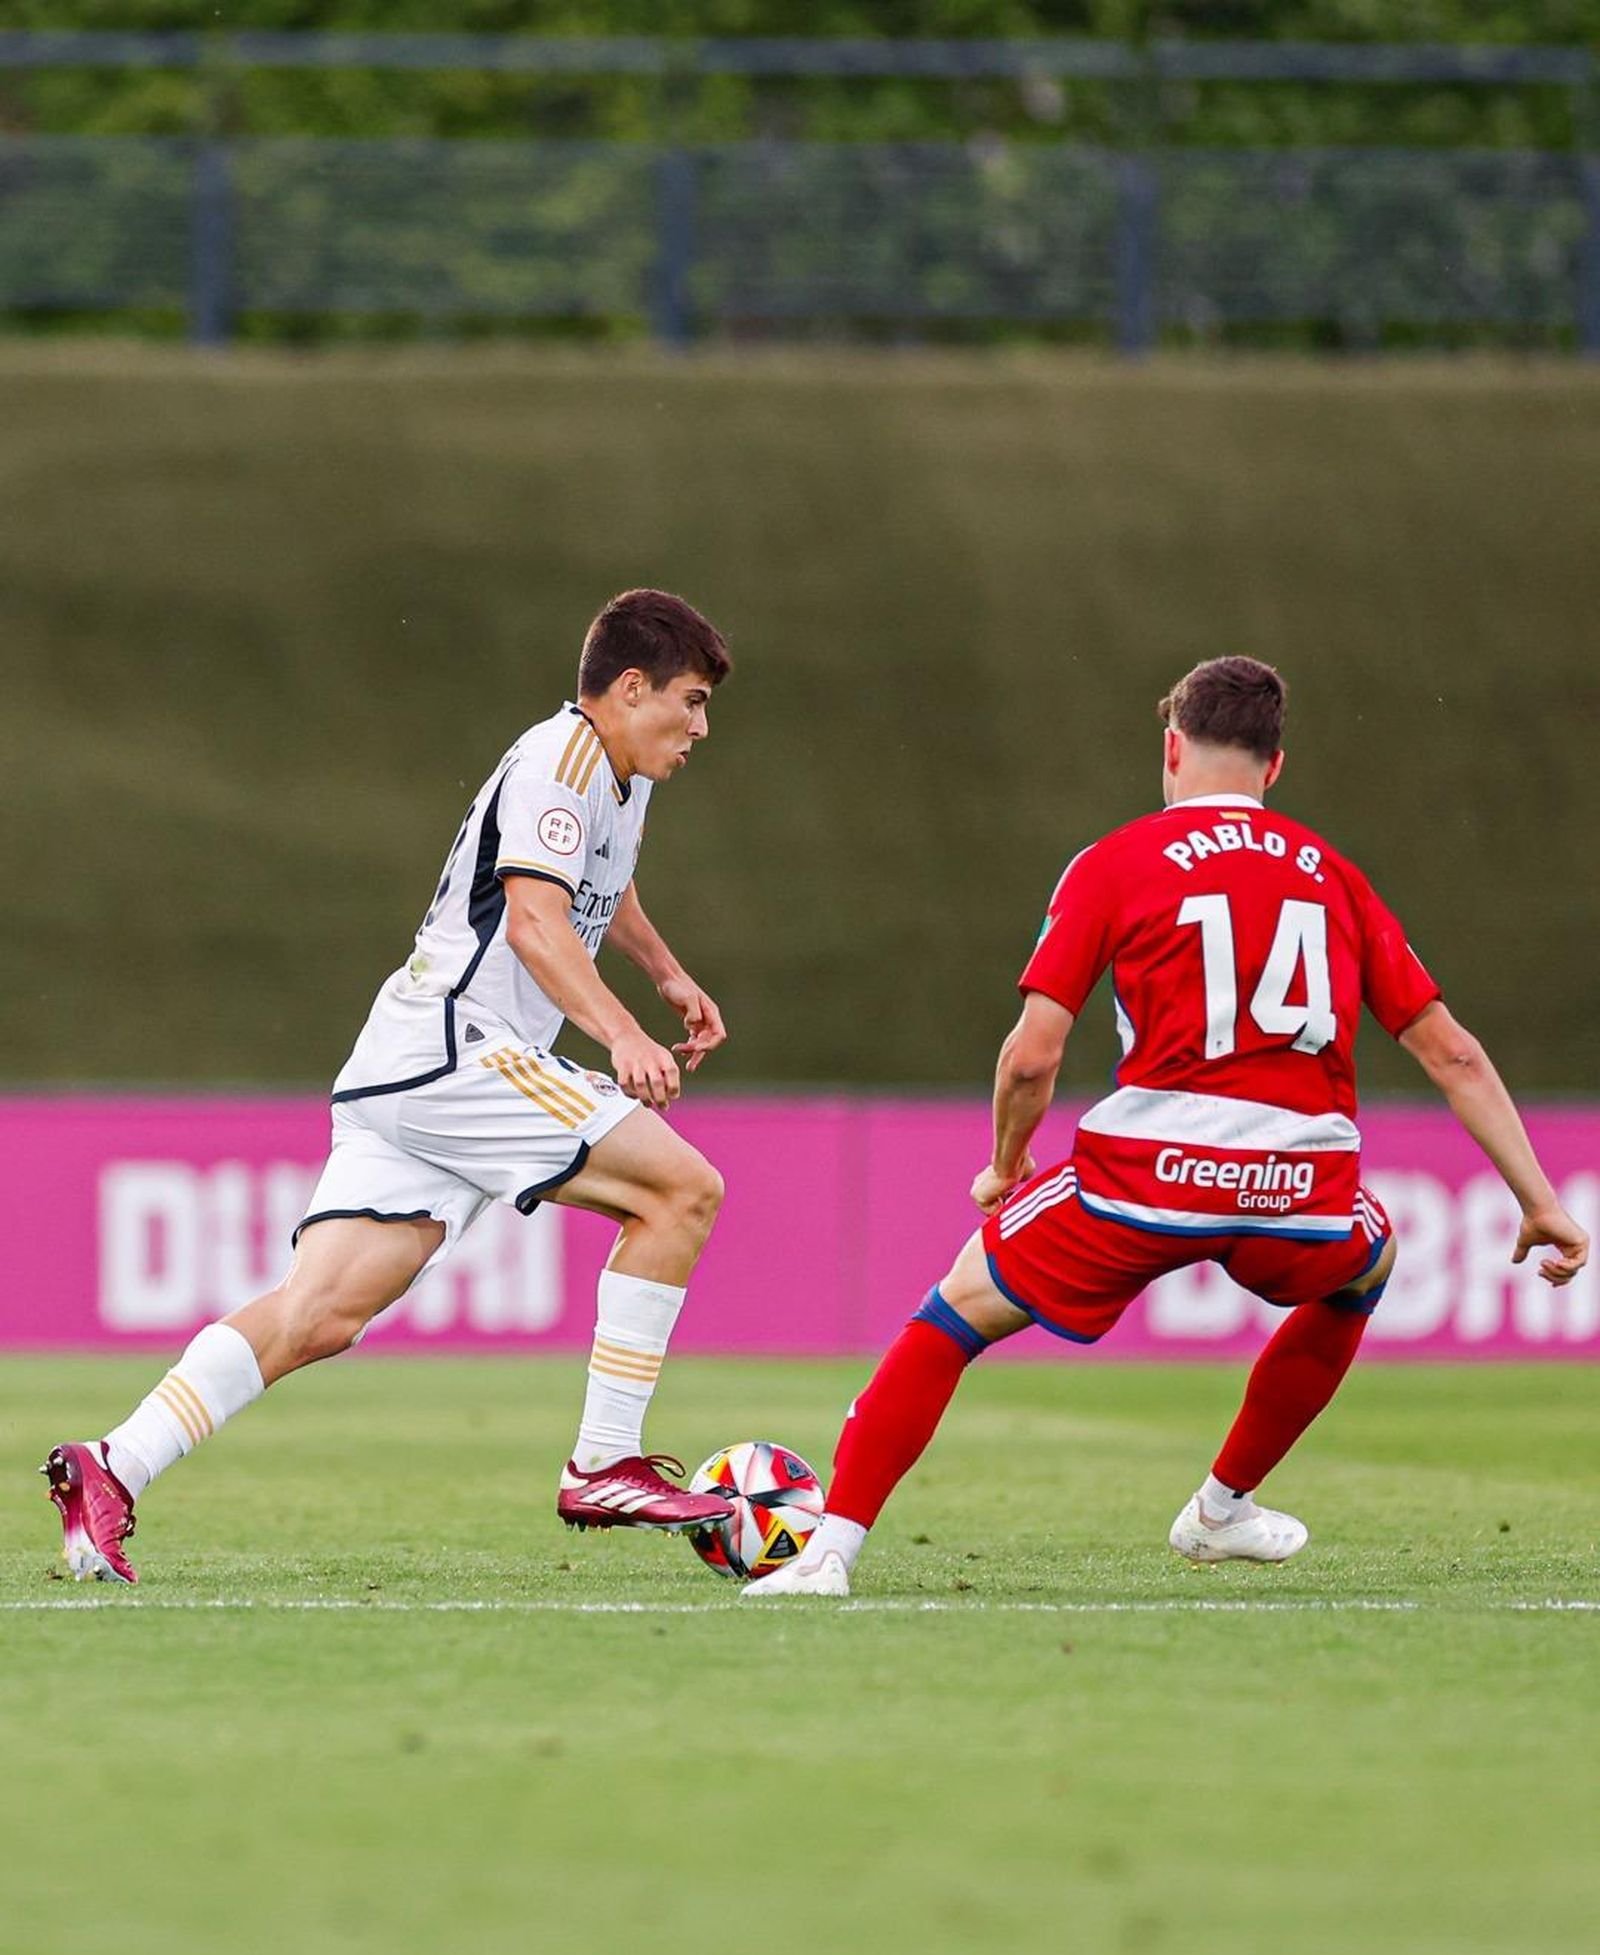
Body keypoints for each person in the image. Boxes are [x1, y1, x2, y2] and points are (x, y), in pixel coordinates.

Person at [746, 655, 1590, 1599]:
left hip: (1147, 1180)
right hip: (1299, 1192)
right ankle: (1224, 1507)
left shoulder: (1117, 862)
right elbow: (1453, 1054)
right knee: (1368, 1265)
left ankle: (829, 1554)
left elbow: (1032, 1055)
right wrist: (1540, 1200)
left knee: (954, 1315)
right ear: (1275, 769)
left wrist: (1005, 1163)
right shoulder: (1334, 876)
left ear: (1171, 748)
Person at [45, 588, 742, 1584]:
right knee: (683, 1188)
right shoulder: (563, 759)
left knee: (318, 1313)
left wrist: (664, 970)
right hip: (462, 1049)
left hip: (406, 1059)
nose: (700, 724)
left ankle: (113, 1463)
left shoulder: (617, 779)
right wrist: (624, 1032)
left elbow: (600, 883)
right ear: (630, 688)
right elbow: (541, 923)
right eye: (692, 698)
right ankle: (604, 1462)